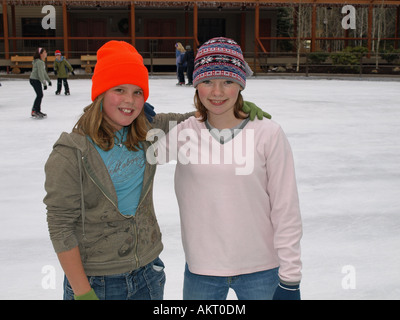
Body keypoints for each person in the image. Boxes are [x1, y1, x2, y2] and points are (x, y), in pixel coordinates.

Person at [44, 40, 268, 300]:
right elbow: (60, 227)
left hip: (148, 275)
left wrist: (235, 111)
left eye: (138, 92)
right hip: (97, 280)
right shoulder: (71, 152)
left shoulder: (146, 132)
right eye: (119, 90)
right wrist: (83, 292)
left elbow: (195, 121)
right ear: (101, 93)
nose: (130, 101)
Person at [149, 37, 302, 300]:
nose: (217, 92)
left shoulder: (268, 133)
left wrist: (290, 278)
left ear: (240, 85)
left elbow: (285, 209)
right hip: (202, 271)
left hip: (261, 269)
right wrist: (137, 114)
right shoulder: (185, 133)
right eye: (207, 81)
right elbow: (143, 153)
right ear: (196, 84)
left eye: (228, 81)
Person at [30, 47, 52, 118]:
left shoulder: (41, 62)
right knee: (39, 95)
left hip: (36, 80)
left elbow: (44, 72)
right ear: (41, 54)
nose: (46, 53)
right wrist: (44, 83)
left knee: (40, 95)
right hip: (34, 80)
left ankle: (37, 110)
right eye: (45, 52)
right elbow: (40, 74)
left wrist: (48, 80)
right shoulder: (39, 62)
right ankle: (35, 111)